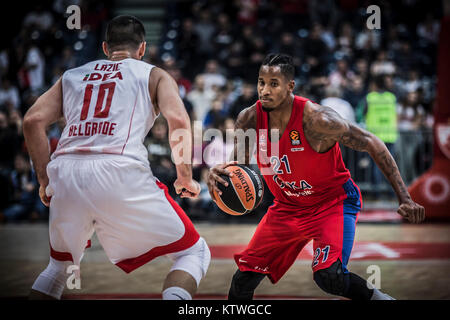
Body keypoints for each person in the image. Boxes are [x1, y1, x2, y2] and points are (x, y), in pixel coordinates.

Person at [207, 54, 425, 300]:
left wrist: (405, 198)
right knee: (242, 281)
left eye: (273, 84)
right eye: (261, 82)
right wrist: (219, 174)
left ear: (290, 86)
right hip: (287, 208)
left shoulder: (317, 120)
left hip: (331, 203)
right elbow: (239, 167)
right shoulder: (249, 118)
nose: (264, 90)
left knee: (329, 277)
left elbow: (372, 143)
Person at [23, 15, 210, 300]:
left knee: (60, 267)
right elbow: (180, 122)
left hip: (67, 172)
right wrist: (185, 177)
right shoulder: (154, 74)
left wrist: (44, 180)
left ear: (105, 47)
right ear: (143, 48)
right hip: (119, 169)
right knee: (193, 252)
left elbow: (32, 121)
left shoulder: (72, 75)